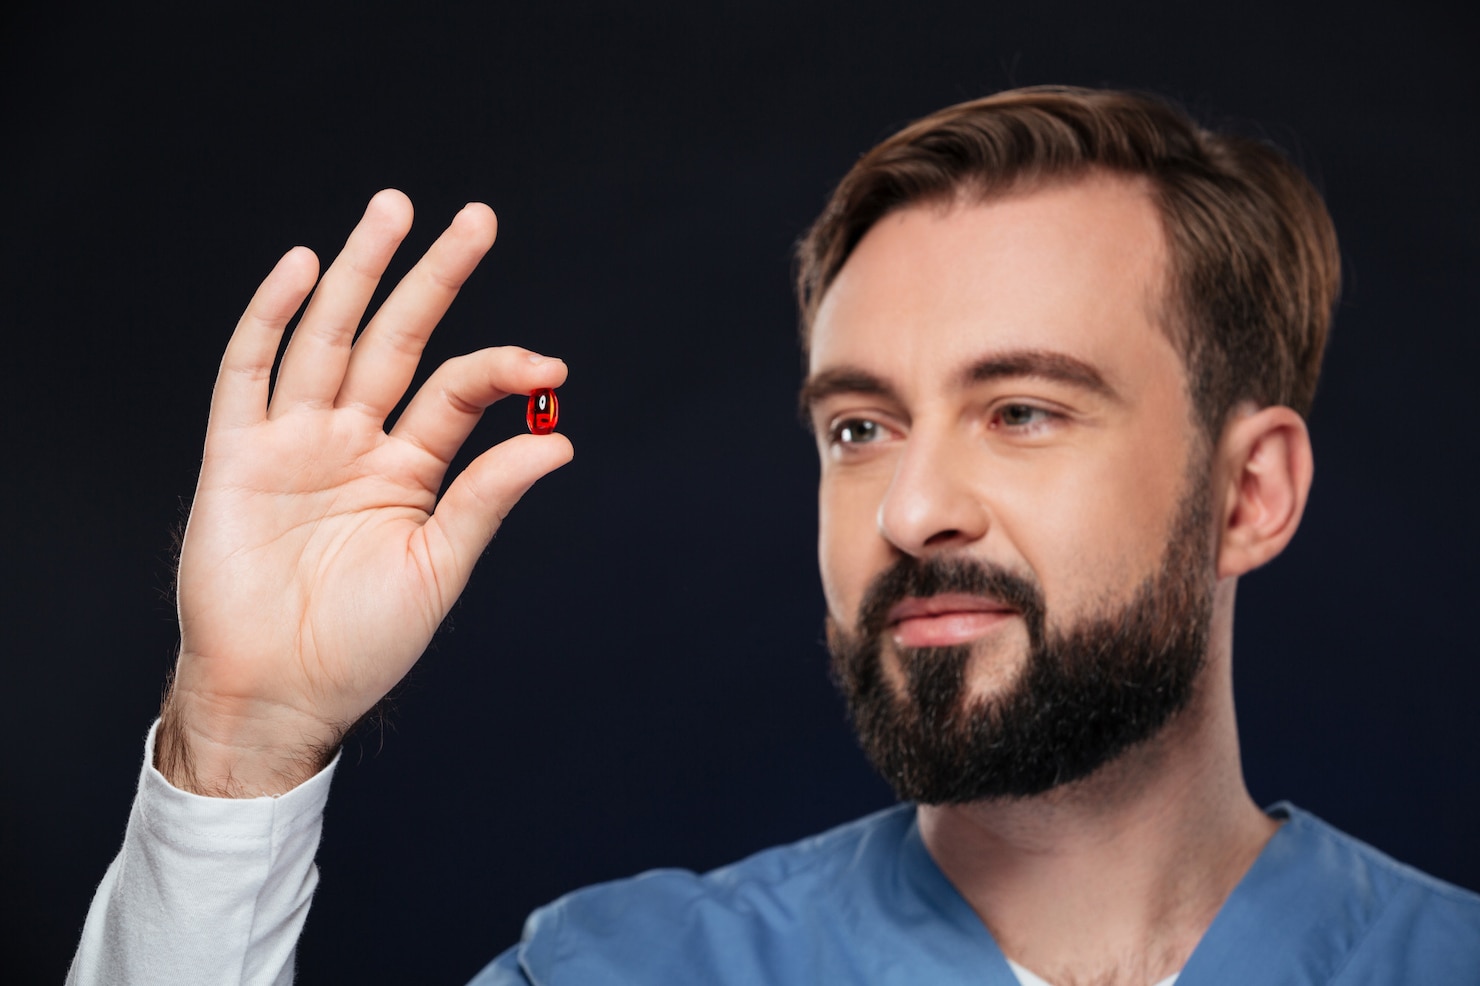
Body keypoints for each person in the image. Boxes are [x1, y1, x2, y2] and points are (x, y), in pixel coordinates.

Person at [68, 86, 1480, 985]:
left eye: (1026, 409)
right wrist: (239, 739)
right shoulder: (623, 974)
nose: (915, 508)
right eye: (860, 427)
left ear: (1251, 494)